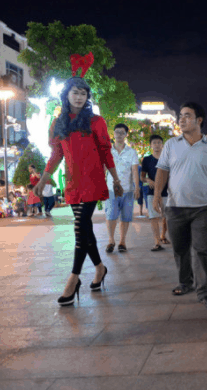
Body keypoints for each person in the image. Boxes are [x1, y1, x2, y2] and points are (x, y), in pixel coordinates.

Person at [33, 69, 123, 306]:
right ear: (66, 95)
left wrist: (115, 179)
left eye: (83, 93)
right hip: (72, 183)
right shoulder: (59, 122)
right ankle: (100, 268)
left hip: (93, 181)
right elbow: (56, 153)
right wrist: (44, 178)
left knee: (79, 228)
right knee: (85, 231)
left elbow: (105, 151)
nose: (80, 97)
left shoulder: (96, 121)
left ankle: (73, 279)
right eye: (75, 92)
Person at [153, 101, 207, 308]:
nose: (181, 119)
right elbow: (162, 170)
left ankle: (204, 290)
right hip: (175, 207)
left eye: (187, 115)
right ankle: (185, 282)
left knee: (202, 249)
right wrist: (158, 194)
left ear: (198, 120)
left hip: (202, 207)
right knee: (180, 249)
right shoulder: (171, 145)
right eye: (180, 116)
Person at [104, 123, 140, 253]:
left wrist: (137, 187)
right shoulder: (108, 151)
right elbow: (103, 169)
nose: (119, 135)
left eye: (122, 132)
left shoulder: (131, 152)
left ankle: (122, 241)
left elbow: (134, 170)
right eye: (117, 132)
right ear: (113, 134)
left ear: (126, 135)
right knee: (111, 216)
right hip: (111, 189)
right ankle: (111, 240)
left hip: (128, 190)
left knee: (125, 217)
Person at [142, 134, 171, 251]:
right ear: (151, 145)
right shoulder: (147, 159)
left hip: (167, 192)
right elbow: (142, 177)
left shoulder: (167, 159)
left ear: (162, 144)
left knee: (167, 217)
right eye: (154, 143)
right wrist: (148, 180)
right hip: (151, 192)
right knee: (153, 217)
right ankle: (157, 241)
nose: (157, 145)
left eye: (159, 142)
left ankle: (163, 235)